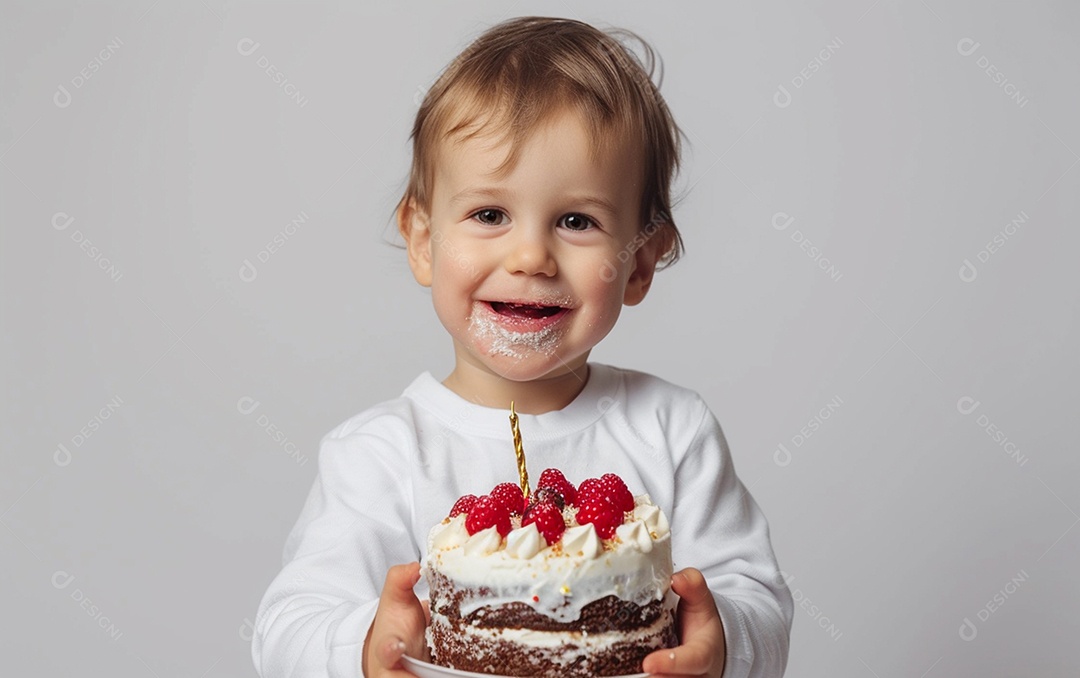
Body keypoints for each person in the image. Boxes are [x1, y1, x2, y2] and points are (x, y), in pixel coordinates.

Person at [252, 16, 793, 678]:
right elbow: (286, 627)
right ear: (423, 240)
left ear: (641, 262)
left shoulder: (673, 431)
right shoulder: (380, 455)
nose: (531, 255)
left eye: (576, 221)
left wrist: (723, 642)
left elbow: (756, 599)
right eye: (489, 214)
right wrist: (364, 646)